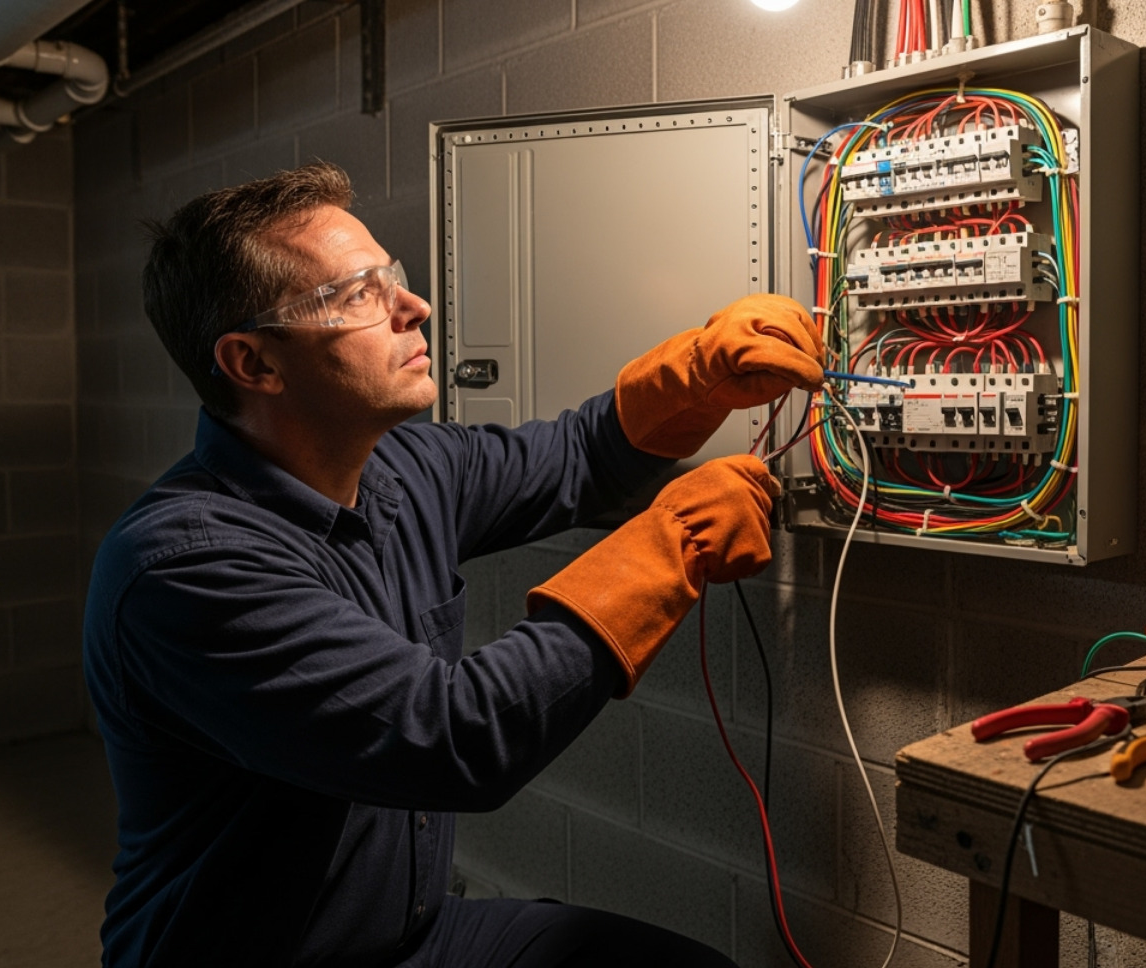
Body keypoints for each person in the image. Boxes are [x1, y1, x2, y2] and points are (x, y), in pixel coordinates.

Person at [82, 161, 824, 968]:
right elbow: (450, 741)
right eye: (359, 294)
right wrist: (668, 545)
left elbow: (577, 458)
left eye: (390, 277)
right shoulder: (185, 568)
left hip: (411, 937)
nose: (414, 307)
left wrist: (697, 376)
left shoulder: (403, 467)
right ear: (254, 363)